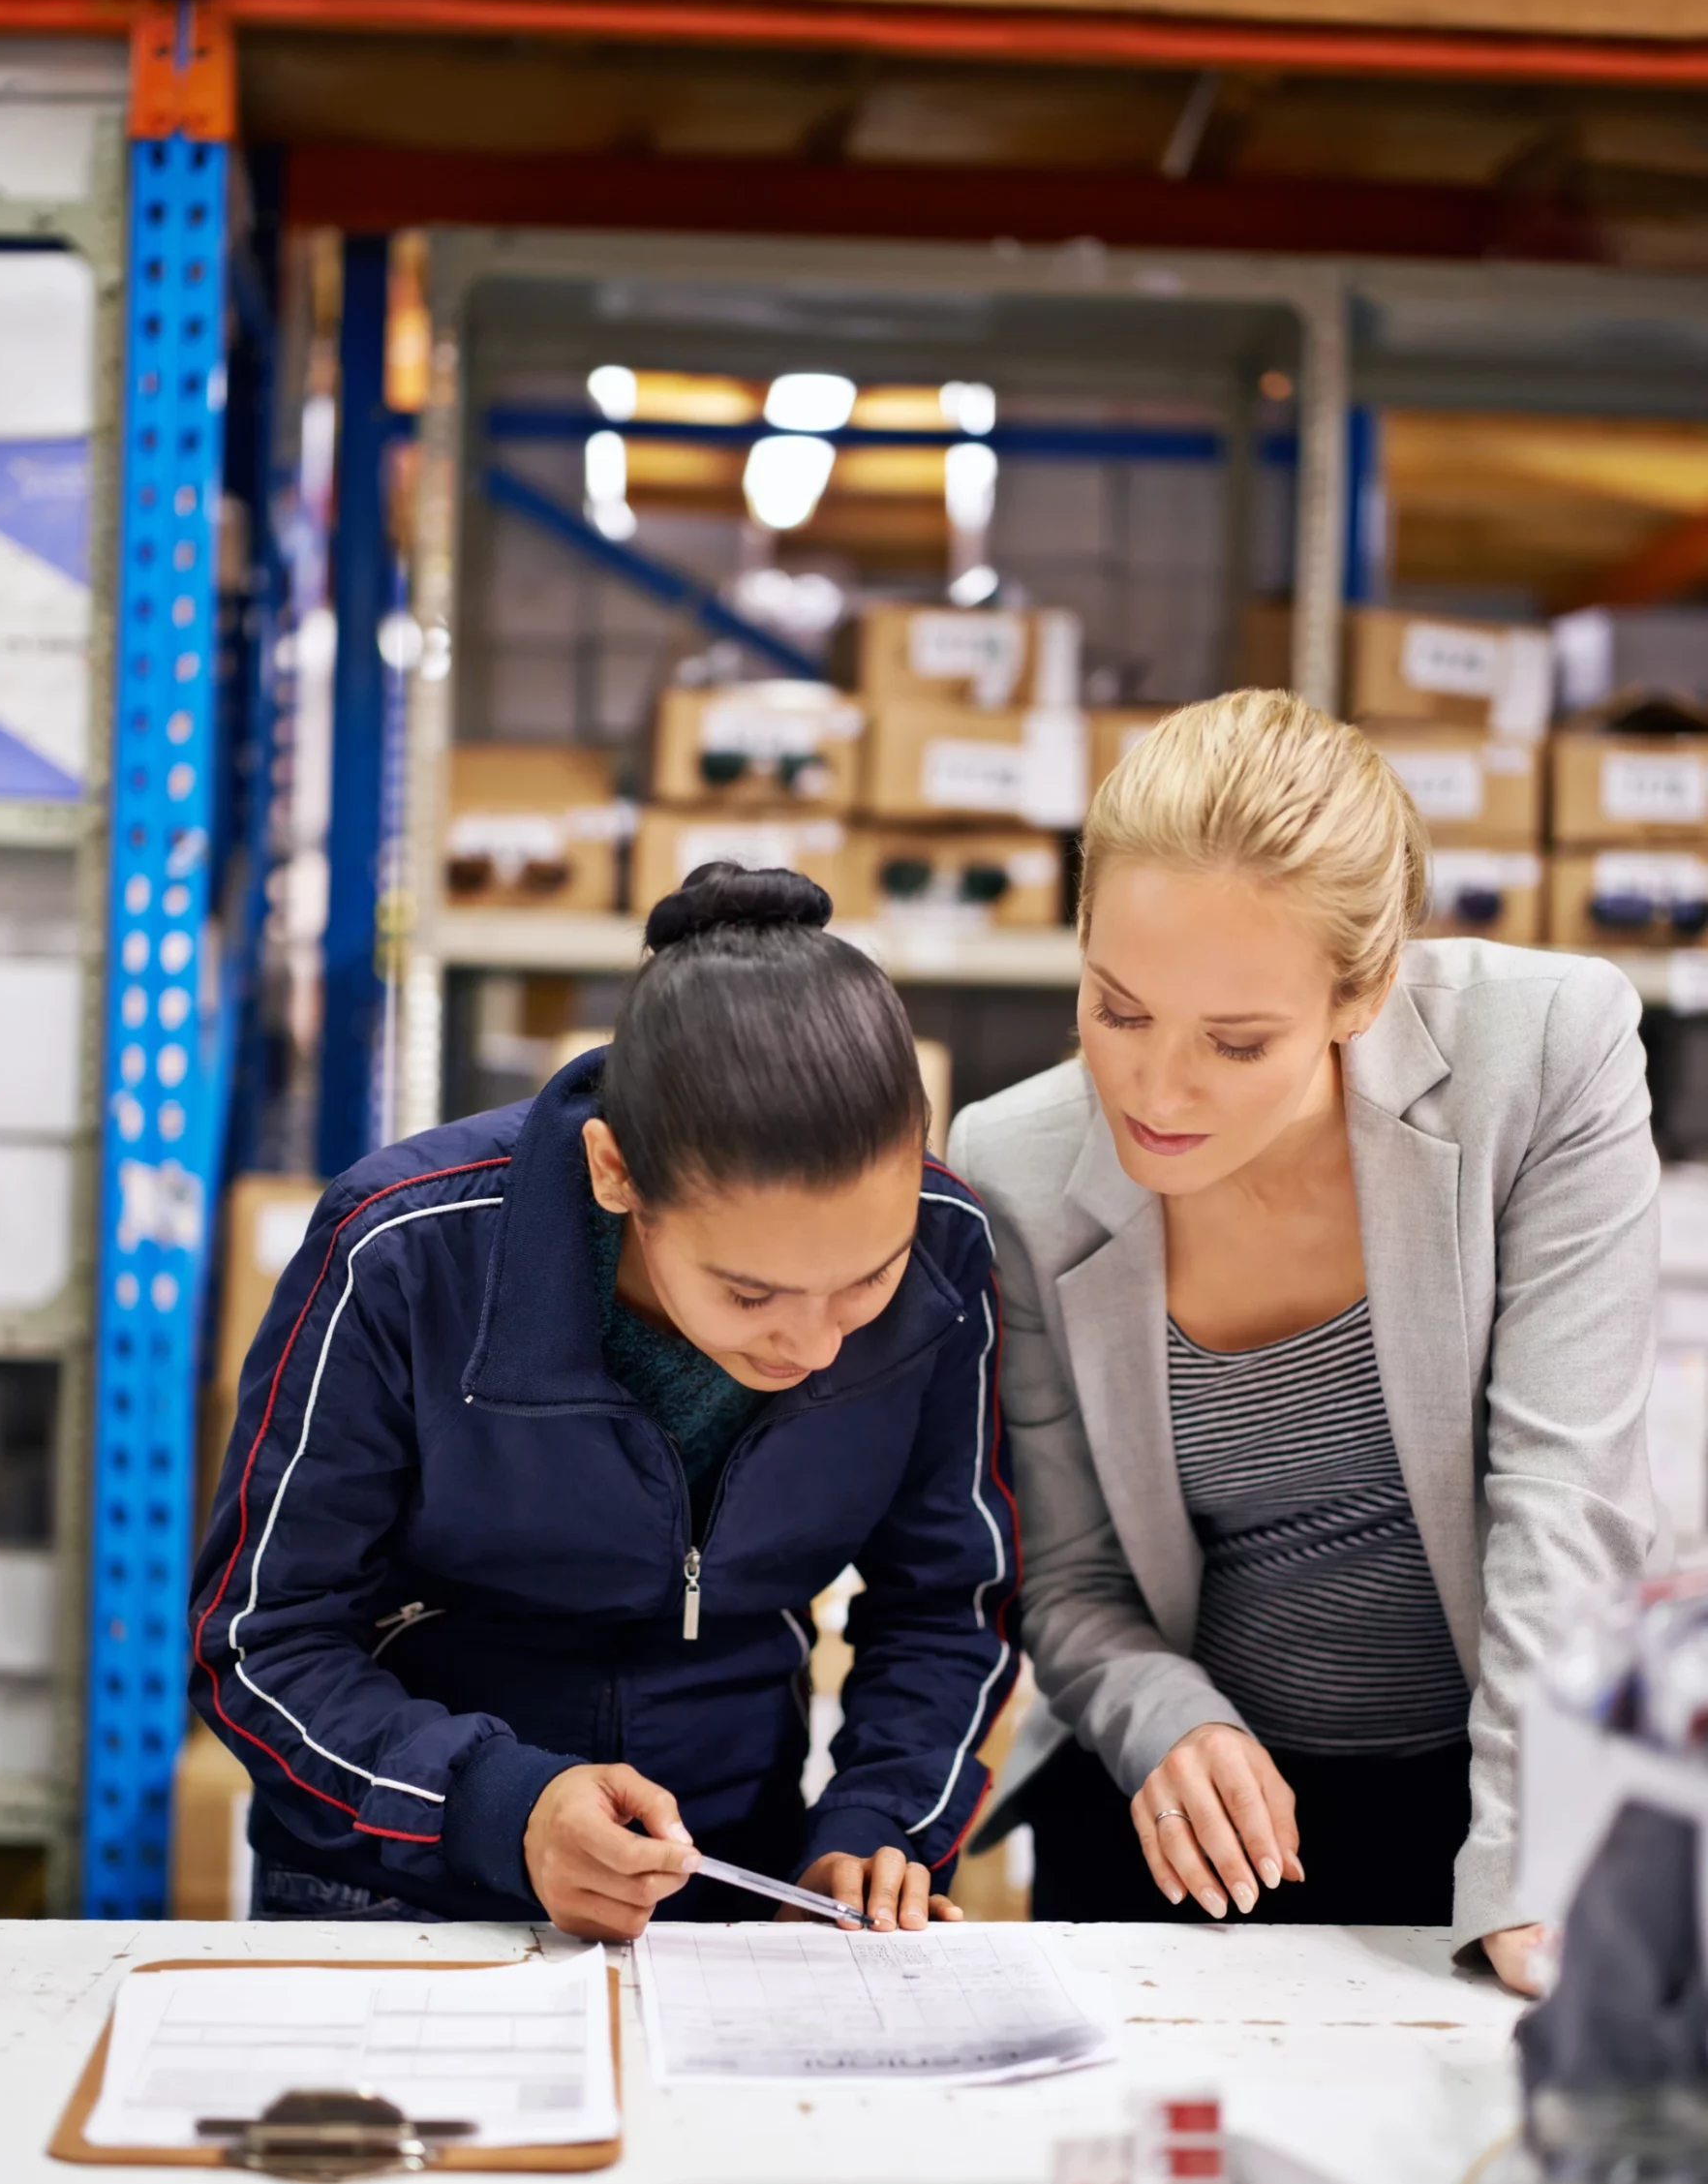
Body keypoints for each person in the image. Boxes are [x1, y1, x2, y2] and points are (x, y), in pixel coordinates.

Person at [949, 690, 1658, 1996]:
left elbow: (1562, 1497)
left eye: (1235, 1042)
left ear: (1361, 991)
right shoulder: (1013, 1168)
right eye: (1113, 1009)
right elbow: (1070, 1578)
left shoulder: (1545, 1055)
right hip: (1183, 1819)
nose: (1154, 1093)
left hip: (1492, 1788)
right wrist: (1164, 1722)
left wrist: (1526, 1858)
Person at [191, 863, 1019, 1940]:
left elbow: (947, 1601)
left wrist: (877, 1826)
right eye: (750, 1291)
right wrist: (500, 1806)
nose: (817, 1344)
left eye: (867, 1280)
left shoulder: (948, 1247)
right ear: (614, 1170)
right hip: (395, 1875)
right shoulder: (400, 1253)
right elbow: (264, 1638)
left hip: (734, 1878)